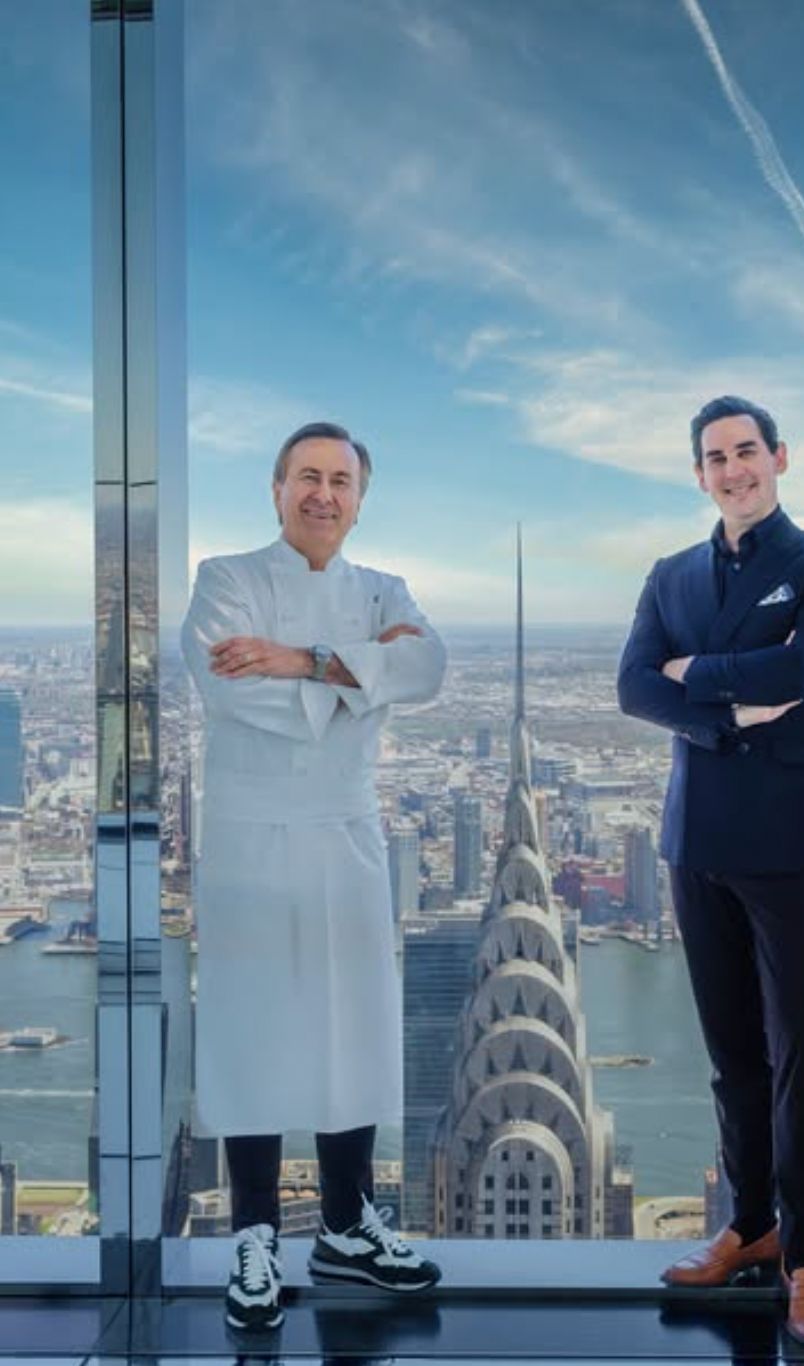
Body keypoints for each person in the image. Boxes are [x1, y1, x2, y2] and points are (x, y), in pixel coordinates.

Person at [181, 421, 446, 1333]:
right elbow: (224, 687)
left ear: (360, 498)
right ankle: (255, 1232)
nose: (322, 494)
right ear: (276, 487)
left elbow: (428, 666)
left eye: (340, 480)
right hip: (251, 835)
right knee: (254, 1026)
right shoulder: (226, 579)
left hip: (346, 831)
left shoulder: (383, 587)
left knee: (353, 1025)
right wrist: (360, 683)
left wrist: (298, 661)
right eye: (306, 476)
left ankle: (346, 1224)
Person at [617, 395, 804, 1351]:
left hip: (795, 841)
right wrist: (727, 704)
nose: (733, 470)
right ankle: (750, 1224)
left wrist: (695, 674)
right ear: (700, 473)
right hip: (700, 841)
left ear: (779, 458)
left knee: (803, 1051)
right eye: (716, 458)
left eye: (747, 451)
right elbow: (634, 686)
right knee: (732, 1055)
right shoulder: (670, 573)